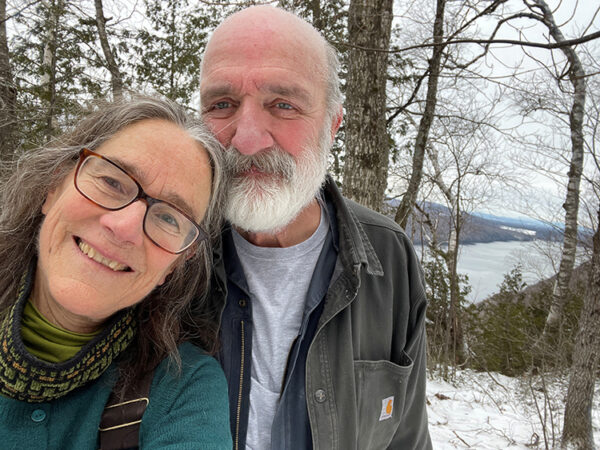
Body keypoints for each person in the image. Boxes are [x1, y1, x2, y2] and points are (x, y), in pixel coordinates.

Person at [199, 5, 432, 450]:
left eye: (283, 105)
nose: (247, 139)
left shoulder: (388, 257)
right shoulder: (166, 250)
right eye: (222, 104)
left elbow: (406, 437)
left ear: (333, 124)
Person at [0, 97, 232, 449]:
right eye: (111, 182)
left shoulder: (184, 389)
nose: (125, 227)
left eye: (169, 218)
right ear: (53, 187)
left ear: (175, 264)